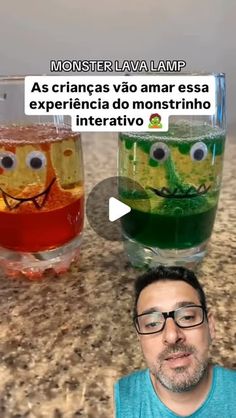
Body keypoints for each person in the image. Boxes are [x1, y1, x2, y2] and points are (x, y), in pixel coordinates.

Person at [114, 266, 236, 418]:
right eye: (152, 323)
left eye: (187, 317)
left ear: (210, 326)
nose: (172, 335)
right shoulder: (115, 400)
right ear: (139, 337)